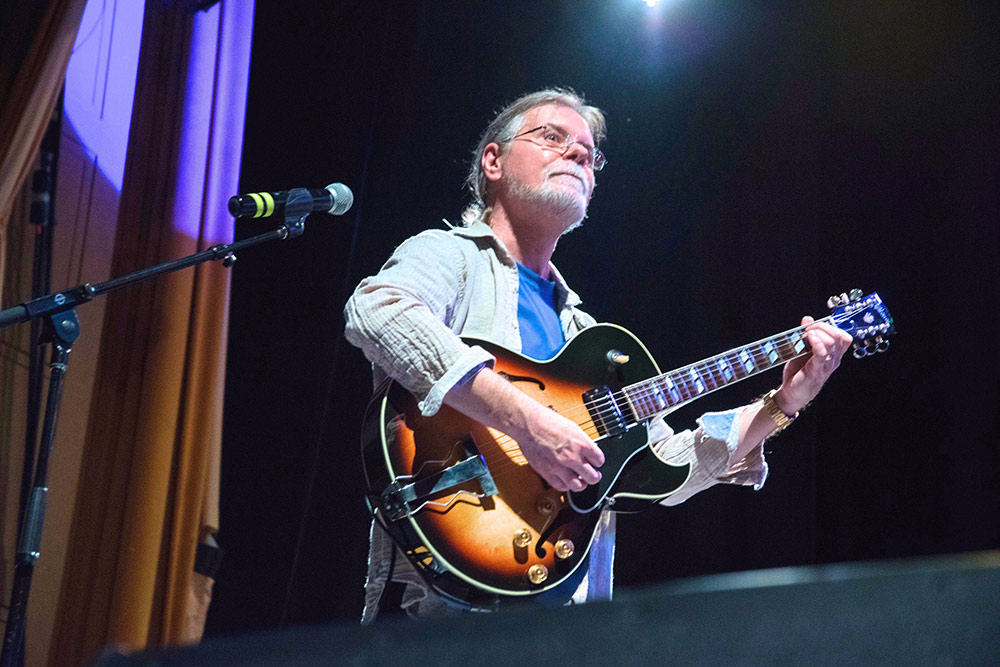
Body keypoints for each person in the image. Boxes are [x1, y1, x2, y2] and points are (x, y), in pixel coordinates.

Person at [344, 88, 852, 624]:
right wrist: (528, 424)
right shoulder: (451, 256)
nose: (579, 154)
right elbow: (378, 311)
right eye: (552, 137)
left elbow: (669, 466)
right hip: (439, 609)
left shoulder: (584, 334)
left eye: (590, 152)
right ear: (492, 161)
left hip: (565, 621)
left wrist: (784, 402)